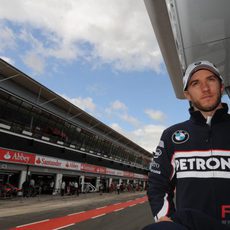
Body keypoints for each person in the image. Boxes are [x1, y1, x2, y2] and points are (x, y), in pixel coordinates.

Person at [143, 60, 230, 230]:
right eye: (195, 83)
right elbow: (157, 183)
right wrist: (165, 218)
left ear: (221, 86)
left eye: (211, 79)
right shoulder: (171, 136)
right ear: (188, 94)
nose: (205, 88)